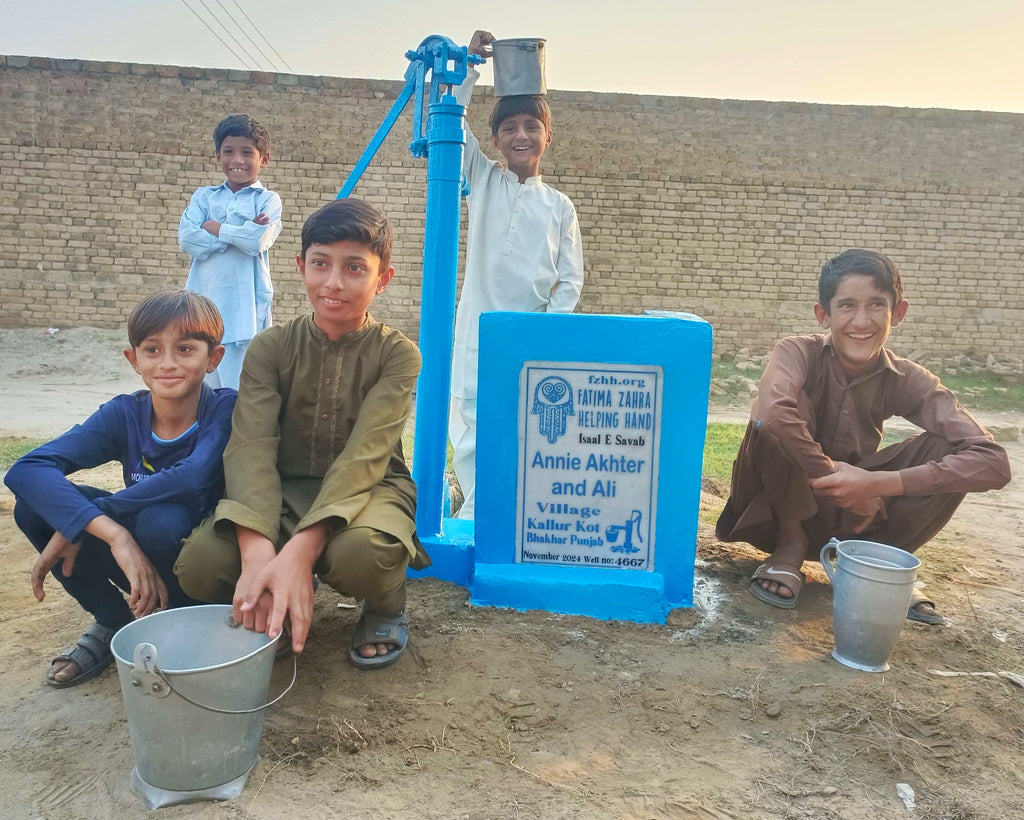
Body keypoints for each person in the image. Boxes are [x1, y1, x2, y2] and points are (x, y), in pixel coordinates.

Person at [175, 198, 430, 669]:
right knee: (201, 565)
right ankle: (284, 581)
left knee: (364, 556)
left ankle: (386, 605)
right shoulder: (270, 348)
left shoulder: (398, 355)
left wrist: (299, 548)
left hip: (370, 490)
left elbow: (367, 455)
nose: (333, 283)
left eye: (355, 268)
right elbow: (251, 446)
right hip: (282, 490)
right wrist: (257, 553)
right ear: (300, 266)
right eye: (320, 264)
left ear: (383, 278)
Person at [715, 249, 1011, 620]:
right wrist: (831, 476)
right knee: (781, 412)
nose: (861, 320)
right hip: (778, 506)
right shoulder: (797, 352)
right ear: (823, 314)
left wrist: (877, 485)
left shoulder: (908, 379)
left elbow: (993, 462)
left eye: (876, 305)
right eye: (846, 306)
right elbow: (773, 415)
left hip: (858, 516)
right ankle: (791, 546)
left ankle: (876, 562)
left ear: (897, 313)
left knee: (949, 444)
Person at [5, 290, 237, 687]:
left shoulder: (224, 408)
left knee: (160, 520)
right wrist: (112, 534)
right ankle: (114, 621)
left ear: (212, 358)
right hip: (137, 552)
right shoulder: (124, 413)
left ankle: (178, 623)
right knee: (34, 508)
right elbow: (27, 469)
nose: (167, 362)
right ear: (134, 360)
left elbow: (191, 475)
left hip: (204, 567)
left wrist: (97, 515)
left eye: (185, 348)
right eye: (152, 349)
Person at [448, 29, 585, 519]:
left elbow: (570, 280)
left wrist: (547, 327)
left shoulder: (559, 205)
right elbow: (449, 124)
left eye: (531, 126)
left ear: (549, 135)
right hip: (477, 325)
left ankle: (514, 506)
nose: (521, 136)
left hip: (530, 331)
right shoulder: (482, 179)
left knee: (524, 421)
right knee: (468, 414)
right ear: (495, 139)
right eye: (510, 129)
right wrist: (467, 66)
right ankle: (478, 509)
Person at [179, 113, 283, 390]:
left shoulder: (268, 201)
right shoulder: (204, 197)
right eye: (229, 152)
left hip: (245, 313)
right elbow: (188, 239)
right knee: (201, 389)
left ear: (264, 159)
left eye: (247, 152)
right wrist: (239, 232)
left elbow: (256, 242)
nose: (237, 161)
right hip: (204, 304)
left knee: (239, 392)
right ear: (217, 156)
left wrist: (214, 227)